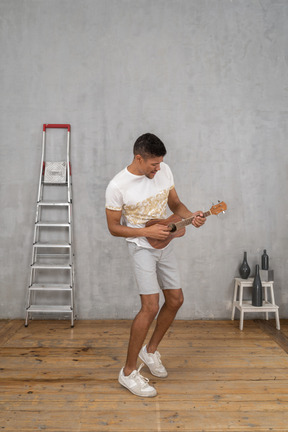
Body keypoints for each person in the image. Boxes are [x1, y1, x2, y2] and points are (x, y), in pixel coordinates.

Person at [105, 133, 206, 397]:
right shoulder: (118, 185)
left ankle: (149, 352)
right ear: (139, 158)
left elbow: (175, 204)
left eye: (160, 163)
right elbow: (114, 228)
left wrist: (191, 215)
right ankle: (127, 373)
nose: (158, 168)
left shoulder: (164, 170)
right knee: (149, 307)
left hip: (165, 243)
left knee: (175, 300)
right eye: (153, 164)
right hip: (141, 248)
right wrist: (144, 233)